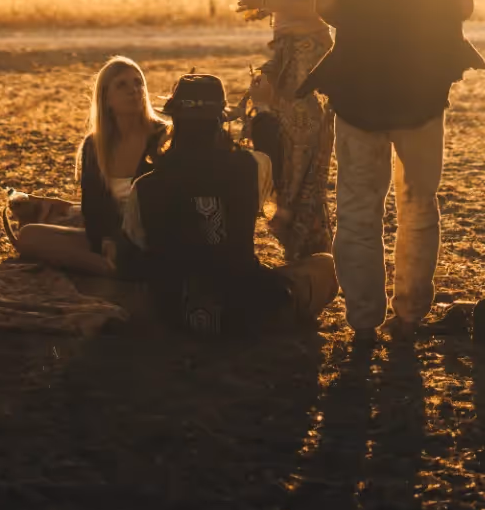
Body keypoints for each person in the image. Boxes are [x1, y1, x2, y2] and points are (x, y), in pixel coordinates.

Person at [302, 0, 485, 342]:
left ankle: (363, 320)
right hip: (422, 80)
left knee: (358, 202)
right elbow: (465, 3)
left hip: (358, 80)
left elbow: (326, 4)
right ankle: (410, 313)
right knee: (419, 200)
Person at [132, 73, 337, 336]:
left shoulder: (145, 185)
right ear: (220, 120)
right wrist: (262, 109)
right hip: (245, 313)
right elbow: (274, 163)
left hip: (175, 315)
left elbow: (135, 250)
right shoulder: (250, 168)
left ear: (175, 120)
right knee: (326, 265)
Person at [237, 0, 335, 262]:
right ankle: (304, 257)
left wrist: (269, 0)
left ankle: (310, 257)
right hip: (294, 52)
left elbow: (320, 5)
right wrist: (270, 6)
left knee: (302, 158)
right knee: (289, 155)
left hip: (307, 56)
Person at [11, 57, 168, 278]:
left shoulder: (163, 137)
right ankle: (107, 267)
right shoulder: (95, 145)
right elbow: (94, 208)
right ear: (106, 99)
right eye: (121, 85)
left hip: (153, 236)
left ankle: (117, 268)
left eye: (138, 82)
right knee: (29, 236)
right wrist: (106, 239)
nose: (134, 90)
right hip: (110, 237)